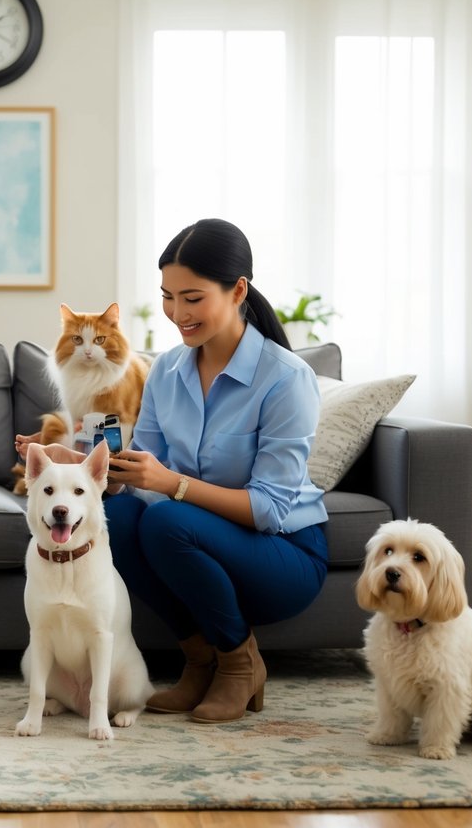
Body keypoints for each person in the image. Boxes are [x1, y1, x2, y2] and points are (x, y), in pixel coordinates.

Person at [103, 217, 328, 724]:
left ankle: (239, 664)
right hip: (196, 540)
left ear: (238, 290)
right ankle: (200, 663)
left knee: (167, 518)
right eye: (167, 296)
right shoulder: (167, 369)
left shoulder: (286, 379)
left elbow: (269, 510)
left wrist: (172, 483)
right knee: (115, 514)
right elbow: (146, 474)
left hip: (284, 556)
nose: (176, 313)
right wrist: (96, 468)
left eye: (193, 297)